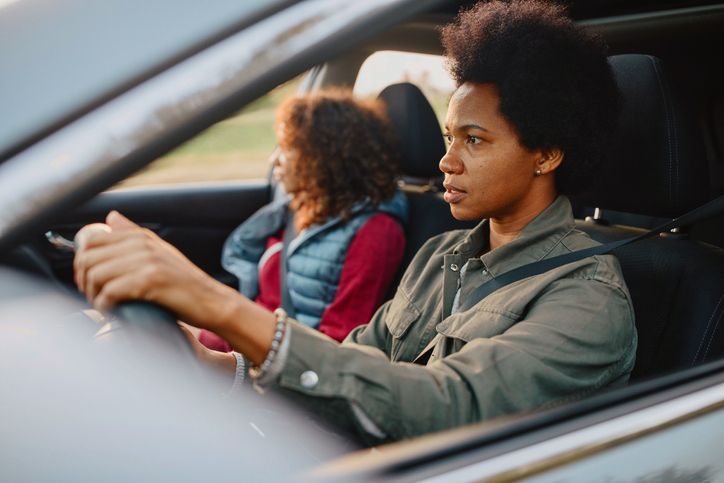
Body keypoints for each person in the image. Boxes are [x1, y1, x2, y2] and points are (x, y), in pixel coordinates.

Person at [73, 0, 637, 447]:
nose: (447, 161)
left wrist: (215, 304)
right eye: (448, 138)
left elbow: (450, 407)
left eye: (474, 140)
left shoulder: (587, 299)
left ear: (546, 155)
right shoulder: (441, 255)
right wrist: (215, 363)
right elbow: (361, 359)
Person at [196, 90, 408, 350]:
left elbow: (336, 343)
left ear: (324, 157)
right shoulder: (305, 205)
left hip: (280, 358)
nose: (273, 160)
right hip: (254, 334)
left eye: (287, 148)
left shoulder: (376, 231)